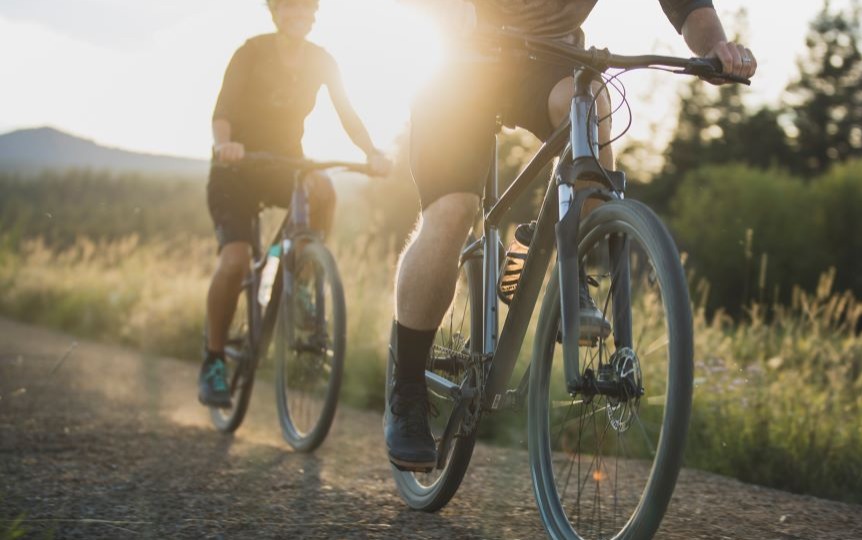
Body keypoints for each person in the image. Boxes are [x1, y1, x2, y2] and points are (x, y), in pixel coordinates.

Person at [385, 0, 757, 471]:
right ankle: (408, 390)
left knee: (590, 108)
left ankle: (567, 263)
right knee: (453, 212)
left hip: (547, 59)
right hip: (462, 63)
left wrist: (714, 48)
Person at [198, 0, 391, 407]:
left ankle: (300, 273)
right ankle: (213, 360)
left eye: (306, 8)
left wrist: (372, 151)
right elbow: (222, 111)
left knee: (323, 189)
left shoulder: (322, 60)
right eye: (289, 7)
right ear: (274, 11)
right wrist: (224, 145)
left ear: (315, 14)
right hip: (236, 169)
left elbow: (347, 113)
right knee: (234, 260)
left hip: (282, 165)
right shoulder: (250, 51)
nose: (299, 14)